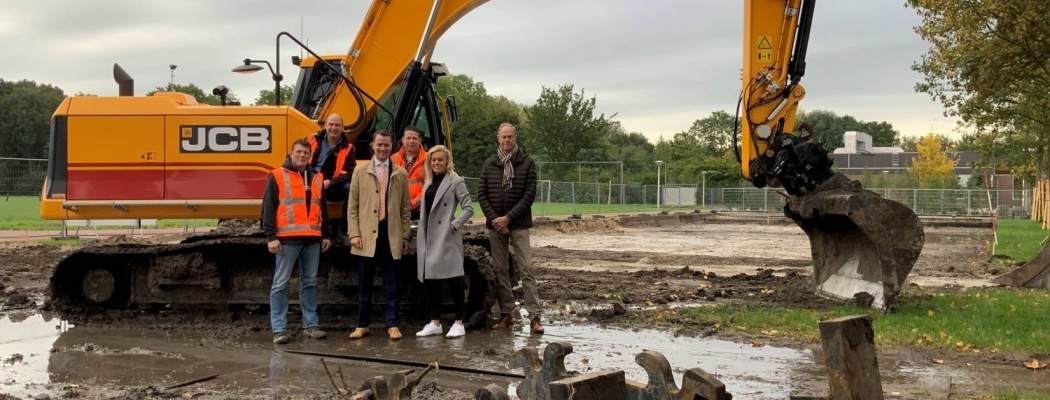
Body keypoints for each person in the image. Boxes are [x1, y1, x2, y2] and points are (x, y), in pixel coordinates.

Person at [261, 139, 333, 345]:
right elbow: (268, 207)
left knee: (310, 283)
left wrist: (326, 234)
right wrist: (271, 237)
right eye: (299, 152)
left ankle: (311, 325)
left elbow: (323, 208)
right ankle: (279, 329)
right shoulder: (277, 175)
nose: (302, 156)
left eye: (306, 153)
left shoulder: (317, 178)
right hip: (287, 239)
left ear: (309, 156)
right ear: (291, 154)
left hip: (312, 239)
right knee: (280, 284)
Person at [477, 123, 543, 334]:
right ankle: (506, 314)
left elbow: (529, 195)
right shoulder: (489, 164)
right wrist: (496, 219)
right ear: (498, 138)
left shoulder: (527, 163)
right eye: (503, 137)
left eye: (510, 137)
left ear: (515, 138)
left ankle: (534, 317)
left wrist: (508, 218)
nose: (506, 141)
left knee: (527, 269)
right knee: (500, 270)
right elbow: (482, 194)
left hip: (519, 224)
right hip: (496, 225)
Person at [346, 129, 412, 340]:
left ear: (391, 147)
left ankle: (392, 324)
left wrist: (404, 235)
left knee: (391, 283)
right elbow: (353, 206)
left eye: (386, 145)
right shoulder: (360, 171)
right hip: (366, 235)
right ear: (372, 146)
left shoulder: (400, 173)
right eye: (379, 145)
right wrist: (354, 233)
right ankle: (362, 324)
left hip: (390, 234)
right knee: (364, 283)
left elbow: (404, 209)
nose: (383, 148)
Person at [413, 145, 473, 338]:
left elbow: (468, 208)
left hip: (446, 236)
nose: (436, 163)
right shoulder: (428, 181)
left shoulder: (456, 181)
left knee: (453, 279)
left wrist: (454, 225)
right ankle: (435, 322)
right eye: (433, 160)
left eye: (440, 160)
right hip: (428, 235)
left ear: (447, 162)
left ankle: (458, 322)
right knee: (431, 281)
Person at [307, 113, 356, 241]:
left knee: (353, 189)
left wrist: (331, 182)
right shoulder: (312, 140)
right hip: (309, 180)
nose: (334, 128)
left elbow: (350, 173)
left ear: (343, 128)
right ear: (325, 126)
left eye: (337, 125)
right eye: (331, 124)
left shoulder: (348, 148)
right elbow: (297, 158)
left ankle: (344, 229)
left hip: (333, 186)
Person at [390, 126, 427, 222]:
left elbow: (429, 186)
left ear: (420, 141)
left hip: (420, 209)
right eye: (408, 138)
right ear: (403, 140)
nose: (411, 141)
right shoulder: (393, 159)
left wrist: (412, 203)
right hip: (396, 209)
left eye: (414, 138)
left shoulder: (428, 159)